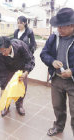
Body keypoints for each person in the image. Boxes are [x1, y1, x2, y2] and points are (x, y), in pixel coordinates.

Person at [40, 8, 74, 136]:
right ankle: (59, 126)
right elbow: (44, 53)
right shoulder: (54, 37)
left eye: (62, 27)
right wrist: (52, 61)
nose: (59, 29)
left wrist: (72, 71)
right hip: (57, 78)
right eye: (58, 27)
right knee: (58, 107)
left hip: (72, 81)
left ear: (72, 25)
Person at [0, 36, 35, 117]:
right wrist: (3, 87)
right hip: (8, 69)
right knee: (6, 88)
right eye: (0, 51)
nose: (3, 53)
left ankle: (19, 105)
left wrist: (26, 72)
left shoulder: (21, 46)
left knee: (22, 87)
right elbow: (1, 71)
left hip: (21, 69)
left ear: (10, 46)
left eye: (4, 51)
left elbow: (30, 59)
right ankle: (6, 106)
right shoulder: (0, 54)